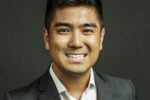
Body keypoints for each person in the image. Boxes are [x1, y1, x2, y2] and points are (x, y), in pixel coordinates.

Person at [4, 0, 138, 100]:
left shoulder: (126, 92)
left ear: (101, 38)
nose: (76, 43)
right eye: (64, 30)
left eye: (87, 30)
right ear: (47, 38)